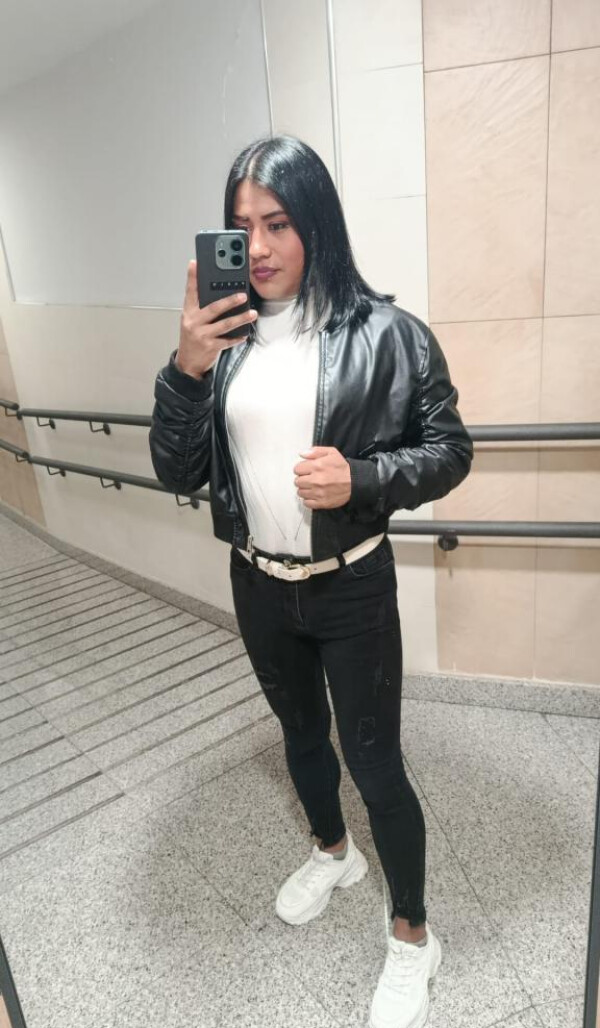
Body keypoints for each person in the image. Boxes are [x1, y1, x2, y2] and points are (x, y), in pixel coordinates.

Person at [149, 134, 473, 1028]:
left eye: (278, 223)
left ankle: (413, 934)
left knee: (374, 762)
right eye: (241, 226)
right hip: (258, 583)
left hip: (351, 586)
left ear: (316, 225)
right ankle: (334, 852)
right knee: (299, 737)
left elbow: (450, 450)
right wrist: (184, 369)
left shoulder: (390, 335)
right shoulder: (221, 342)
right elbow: (177, 471)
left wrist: (363, 479)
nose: (256, 247)